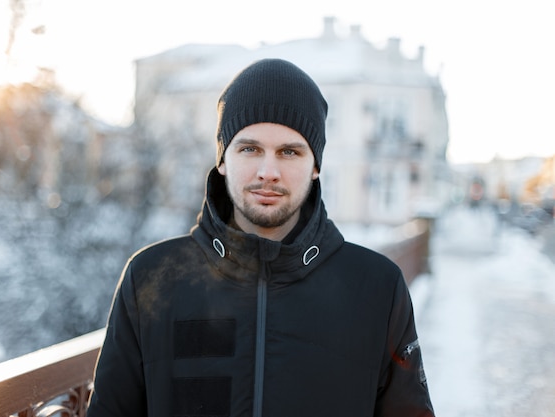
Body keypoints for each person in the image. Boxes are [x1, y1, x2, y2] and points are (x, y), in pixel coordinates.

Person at [86, 58, 435, 417]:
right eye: (250, 149)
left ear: (315, 166)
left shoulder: (376, 287)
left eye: (289, 152)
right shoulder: (152, 279)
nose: (268, 172)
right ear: (222, 159)